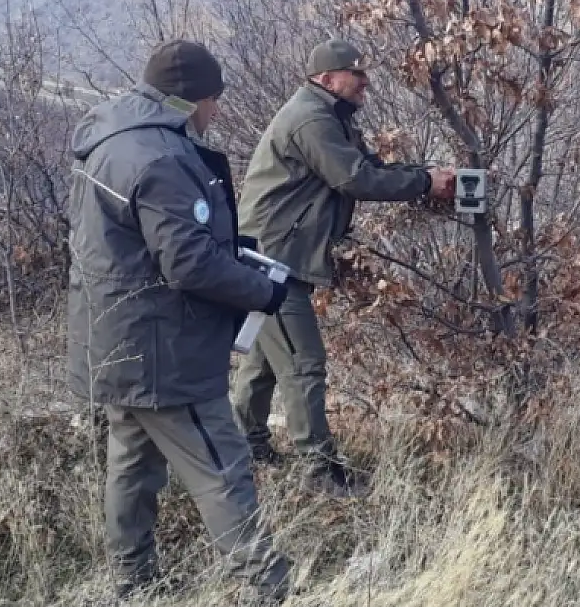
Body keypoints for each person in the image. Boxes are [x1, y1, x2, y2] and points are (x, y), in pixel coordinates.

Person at [65, 39, 294, 603]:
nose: (216, 112)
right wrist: (263, 290)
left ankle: (133, 581)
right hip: (164, 350)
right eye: (214, 100)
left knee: (132, 465)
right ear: (191, 99)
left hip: (114, 341)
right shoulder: (163, 158)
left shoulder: (109, 140)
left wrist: (225, 249)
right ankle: (269, 585)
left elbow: (139, 246)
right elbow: (188, 263)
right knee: (221, 465)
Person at [230, 38, 457, 496]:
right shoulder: (312, 119)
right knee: (303, 362)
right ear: (327, 78)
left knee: (265, 361)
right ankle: (320, 472)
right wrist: (424, 183)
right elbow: (356, 179)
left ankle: (245, 449)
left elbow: (368, 165)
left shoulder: (328, 115)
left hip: (269, 255)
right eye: (357, 74)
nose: (366, 81)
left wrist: (423, 175)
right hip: (273, 261)